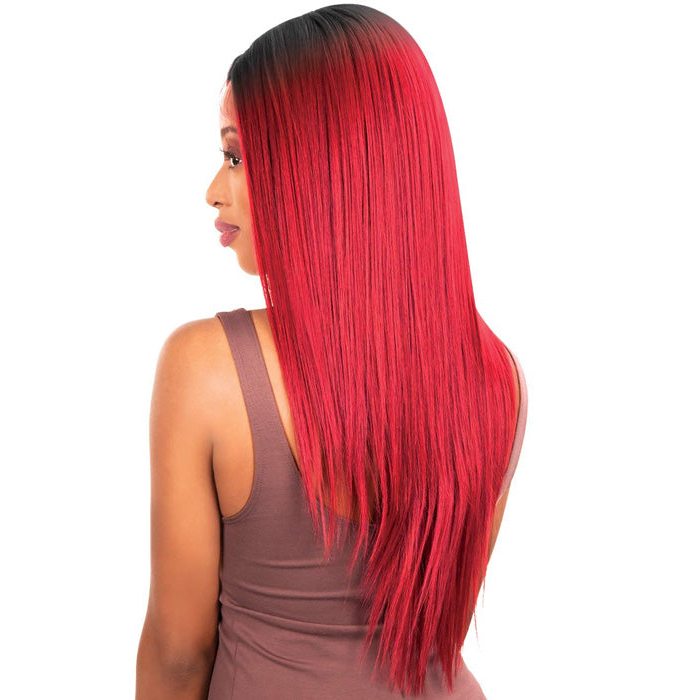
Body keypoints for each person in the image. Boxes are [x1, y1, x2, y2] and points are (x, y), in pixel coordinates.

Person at [135, 5, 528, 699]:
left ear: (318, 168)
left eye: (236, 156)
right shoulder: (497, 378)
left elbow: (178, 655)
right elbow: (439, 623)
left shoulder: (207, 371)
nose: (213, 191)